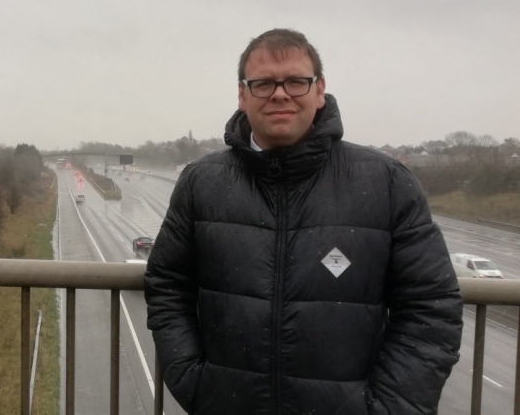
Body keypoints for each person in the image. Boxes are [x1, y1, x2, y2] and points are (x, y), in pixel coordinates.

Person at [144, 29, 463, 414]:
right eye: (263, 83)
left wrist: (389, 407)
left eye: (296, 81)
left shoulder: (387, 183)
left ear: (319, 90)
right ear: (242, 95)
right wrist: (197, 384)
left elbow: (431, 308)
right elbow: (167, 287)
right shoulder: (201, 183)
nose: (280, 94)